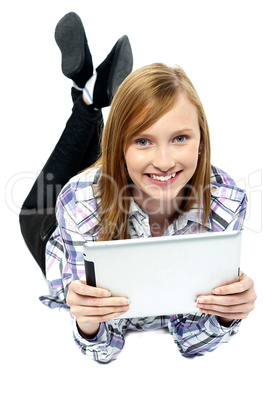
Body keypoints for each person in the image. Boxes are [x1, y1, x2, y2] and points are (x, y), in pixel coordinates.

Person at [19, 12, 256, 363]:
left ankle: (90, 94)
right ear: (118, 149)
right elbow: (105, 348)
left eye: (180, 138)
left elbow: (191, 339)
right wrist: (88, 324)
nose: (164, 160)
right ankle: (87, 99)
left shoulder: (227, 200)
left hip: (115, 181)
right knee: (44, 192)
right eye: (143, 141)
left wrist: (225, 315)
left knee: (120, 157)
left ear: (202, 141)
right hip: (48, 224)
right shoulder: (77, 199)